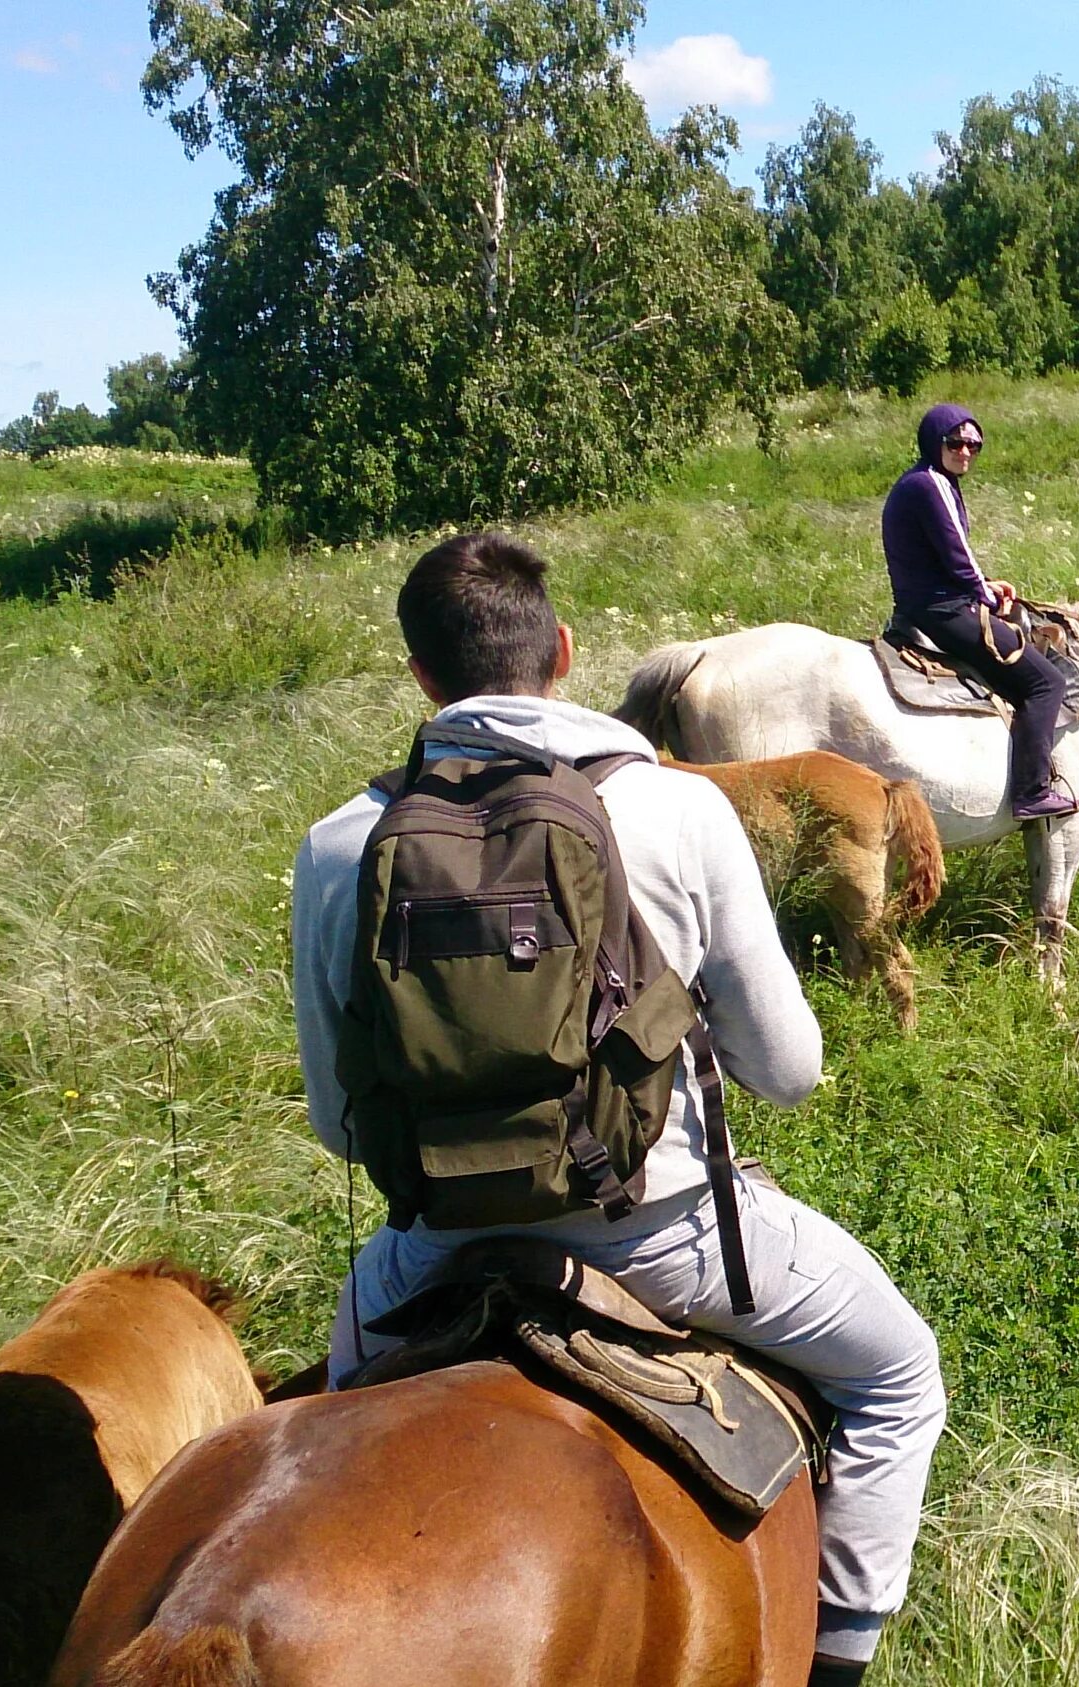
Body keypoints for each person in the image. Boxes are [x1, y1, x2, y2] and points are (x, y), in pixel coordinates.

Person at [292, 533, 947, 1687]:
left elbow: (340, 1123)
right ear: (562, 651)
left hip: (428, 1251)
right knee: (901, 1375)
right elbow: (790, 1070)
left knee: (304, 1458)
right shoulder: (677, 812)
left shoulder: (344, 842)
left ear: (420, 676)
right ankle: (837, 1664)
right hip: (668, 1239)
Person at [881, 403, 1079, 821]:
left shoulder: (930, 481)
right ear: (935, 442)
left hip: (934, 602)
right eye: (955, 442)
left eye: (974, 444)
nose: (966, 451)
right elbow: (958, 556)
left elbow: (949, 559)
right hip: (943, 611)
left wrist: (986, 585)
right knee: (1047, 683)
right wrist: (984, 595)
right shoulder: (929, 483)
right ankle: (1031, 792)